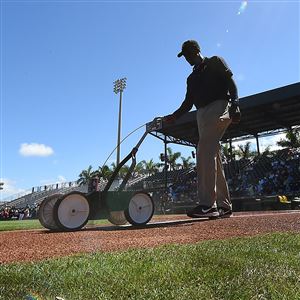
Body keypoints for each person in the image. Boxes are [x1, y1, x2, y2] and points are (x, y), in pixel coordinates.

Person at [164, 40, 241, 218]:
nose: (187, 59)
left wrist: (235, 104)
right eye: (185, 56)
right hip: (201, 114)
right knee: (213, 156)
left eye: (189, 54)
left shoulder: (215, 61)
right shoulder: (191, 78)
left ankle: (208, 204)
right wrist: (174, 116)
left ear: (197, 51)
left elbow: (231, 83)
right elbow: (188, 103)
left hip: (219, 106)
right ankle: (225, 205)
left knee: (204, 150)